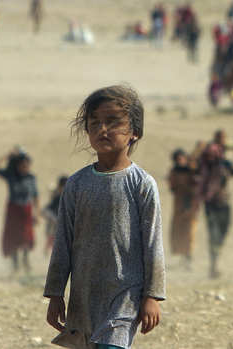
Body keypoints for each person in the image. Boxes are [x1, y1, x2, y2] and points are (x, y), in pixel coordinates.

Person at [44, 85, 166, 349]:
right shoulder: (76, 184)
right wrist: (55, 293)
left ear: (135, 131)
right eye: (95, 123)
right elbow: (63, 241)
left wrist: (153, 296)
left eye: (113, 122)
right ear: (87, 130)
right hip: (84, 295)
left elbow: (153, 243)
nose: (103, 129)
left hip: (125, 294)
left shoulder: (141, 184)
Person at [196, 140, 233, 278]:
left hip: (224, 203)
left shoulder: (225, 165)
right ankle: (213, 266)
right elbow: (189, 166)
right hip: (211, 204)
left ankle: (215, 261)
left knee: (223, 233)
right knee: (213, 235)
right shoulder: (204, 166)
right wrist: (198, 150)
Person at [0, 147, 39, 274]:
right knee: (13, 237)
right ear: (17, 165)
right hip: (13, 210)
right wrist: (8, 155)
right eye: (22, 164)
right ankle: (15, 265)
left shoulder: (31, 178)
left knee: (26, 237)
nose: (25, 167)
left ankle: (25, 261)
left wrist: (37, 213)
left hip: (26, 210)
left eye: (26, 164)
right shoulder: (11, 176)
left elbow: (35, 196)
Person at [167, 148, 199, 270]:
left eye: (182, 158)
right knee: (179, 231)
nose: (180, 161)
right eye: (178, 159)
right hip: (179, 204)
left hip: (191, 203)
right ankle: (183, 258)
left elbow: (196, 185)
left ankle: (188, 259)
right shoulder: (174, 172)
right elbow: (173, 187)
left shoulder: (192, 170)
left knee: (190, 231)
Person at [41, 175, 68, 256]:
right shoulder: (57, 198)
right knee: (52, 240)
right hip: (54, 226)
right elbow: (45, 210)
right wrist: (53, 218)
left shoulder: (71, 198)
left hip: (65, 226)